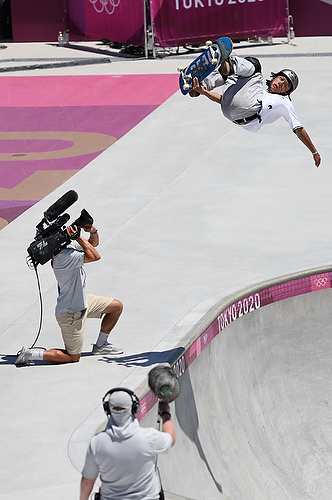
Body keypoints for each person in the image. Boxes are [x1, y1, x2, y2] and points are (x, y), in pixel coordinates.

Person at [15, 222, 123, 365]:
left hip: (83, 302)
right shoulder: (63, 257)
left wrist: (93, 231)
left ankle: (101, 345)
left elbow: (92, 244)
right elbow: (95, 256)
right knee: (72, 356)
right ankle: (30, 355)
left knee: (116, 307)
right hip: (71, 314)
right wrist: (78, 237)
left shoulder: (66, 248)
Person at [190, 54, 321, 168]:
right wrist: (205, 93)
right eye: (281, 79)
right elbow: (224, 100)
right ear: (275, 77)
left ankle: (229, 63)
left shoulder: (284, 102)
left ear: (286, 92)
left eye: (285, 85)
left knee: (254, 65)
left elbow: (298, 128)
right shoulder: (257, 92)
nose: (281, 83)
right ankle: (201, 85)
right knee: (236, 76)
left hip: (250, 112)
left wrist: (314, 151)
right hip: (231, 112)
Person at [80, 388, 176, 500]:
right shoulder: (148, 437)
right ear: (134, 408)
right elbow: (171, 438)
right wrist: (165, 413)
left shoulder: (97, 442)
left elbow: (87, 481)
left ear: (108, 409)